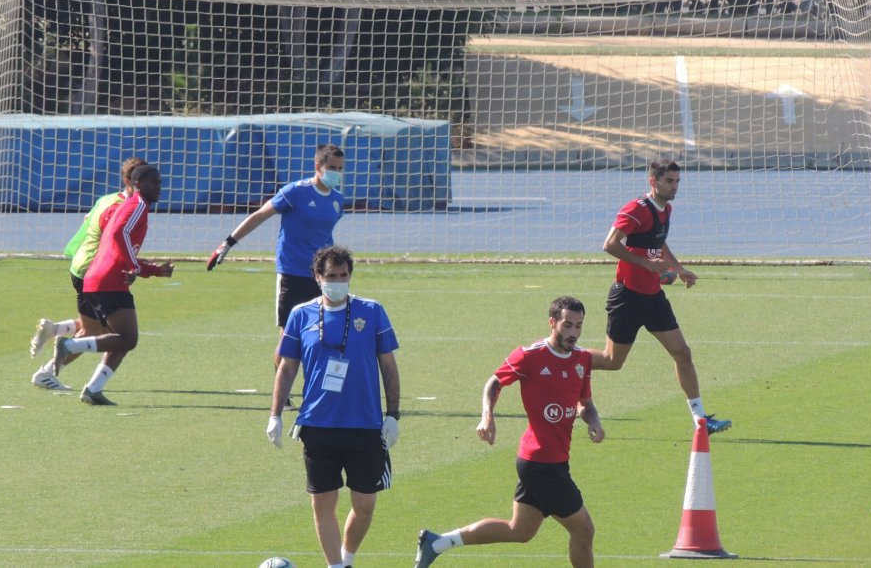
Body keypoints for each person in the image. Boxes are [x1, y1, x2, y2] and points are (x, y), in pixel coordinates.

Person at [415, 296, 604, 568]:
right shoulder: (530, 355)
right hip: (542, 464)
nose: (573, 333)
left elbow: (585, 405)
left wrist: (593, 421)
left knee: (521, 531)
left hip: (551, 460)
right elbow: (495, 382)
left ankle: (437, 543)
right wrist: (487, 416)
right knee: (584, 529)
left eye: (579, 326)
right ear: (552, 323)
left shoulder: (582, 360)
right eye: (567, 325)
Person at [266, 245, 400, 568]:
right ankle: (336, 566)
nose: (338, 281)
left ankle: (347, 556)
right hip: (317, 425)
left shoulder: (372, 312)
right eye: (331, 276)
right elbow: (286, 368)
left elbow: (389, 367)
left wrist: (393, 414)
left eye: (343, 275)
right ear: (317, 277)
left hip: (365, 424)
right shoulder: (301, 315)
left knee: (365, 503)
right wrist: (275, 415)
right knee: (323, 502)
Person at [586, 158, 731, 434]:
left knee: (682, 353)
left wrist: (678, 268)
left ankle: (701, 421)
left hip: (653, 298)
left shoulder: (665, 210)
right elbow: (610, 245)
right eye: (669, 181)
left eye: (677, 181)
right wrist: (647, 265)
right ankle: (563, 358)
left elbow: (658, 240)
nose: (675, 186)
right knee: (611, 362)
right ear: (653, 181)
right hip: (627, 297)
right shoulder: (636, 209)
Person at [207, 143, 345, 368]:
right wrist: (228, 243)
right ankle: (283, 391)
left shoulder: (338, 200)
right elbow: (260, 215)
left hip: (322, 277)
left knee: (324, 333)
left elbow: (325, 236)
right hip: (292, 273)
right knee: (290, 336)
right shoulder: (295, 192)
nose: (336, 173)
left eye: (340, 168)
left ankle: (318, 387)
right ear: (318, 166)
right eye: (332, 167)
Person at [53, 164, 174, 406]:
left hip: (100, 279)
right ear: (137, 184)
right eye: (154, 183)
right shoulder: (138, 205)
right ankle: (70, 344)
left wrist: (154, 270)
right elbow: (120, 234)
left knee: (122, 338)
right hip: (108, 281)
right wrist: (136, 268)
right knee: (127, 339)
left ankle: (94, 389)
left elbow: (119, 245)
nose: (159, 187)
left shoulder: (131, 206)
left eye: (160, 183)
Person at [28, 156, 146, 391]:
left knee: (95, 325)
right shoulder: (123, 207)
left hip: (82, 266)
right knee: (103, 332)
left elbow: (87, 223)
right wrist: (137, 266)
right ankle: (48, 372)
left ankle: (55, 329)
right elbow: (113, 240)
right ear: (128, 180)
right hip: (95, 271)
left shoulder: (107, 199)